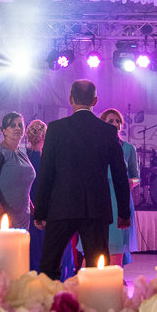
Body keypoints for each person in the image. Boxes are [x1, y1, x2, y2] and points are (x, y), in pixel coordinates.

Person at [33, 80, 130, 279]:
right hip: (96, 208)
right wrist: (124, 212)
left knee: (49, 267)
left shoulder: (56, 128)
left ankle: (49, 298)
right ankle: (95, 299)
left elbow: (46, 172)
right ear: (95, 100)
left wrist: (40, 211)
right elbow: (120, 173)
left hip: (61, 206)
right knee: (97, 270)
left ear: (71, 99)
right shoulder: (108, 131)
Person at [0, 113, 38, 238]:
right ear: (4, 130)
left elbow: (22, 185)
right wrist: (1, 213)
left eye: (20, 125)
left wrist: (32, 208)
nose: (17, 128)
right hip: (3, 215)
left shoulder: (23, 151)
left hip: (23, 215)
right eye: (12, 125)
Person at [98, 108, 140, 266]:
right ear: (103, 123)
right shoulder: (96, 145)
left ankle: (114, 275)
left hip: (119, 198)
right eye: (111, 121)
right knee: (96, 241)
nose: (116, 124)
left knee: (117, 242)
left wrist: (132, 181)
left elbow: (136, 176)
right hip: (100, 195)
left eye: (118, 121)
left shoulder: (128, 148)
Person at [25, 119, 48, 269]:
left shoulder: (23, 154)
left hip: (25, 202)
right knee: (40, 246)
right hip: (39, 203)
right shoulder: (43, 157)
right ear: (43, 136)